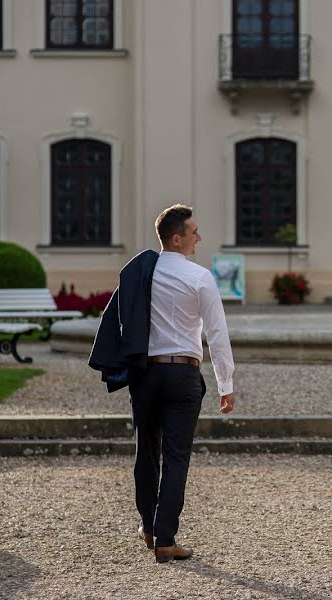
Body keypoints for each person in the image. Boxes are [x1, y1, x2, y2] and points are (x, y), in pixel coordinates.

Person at [93, 204, 235, 564]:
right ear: (177, 238)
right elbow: (216, 333)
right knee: (175, 457)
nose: (199, 238)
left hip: (146, 372)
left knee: (146, 451)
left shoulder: (144, 274)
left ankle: (147, 525)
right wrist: (226, 384)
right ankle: (166, 538)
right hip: (183, 373)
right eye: (194, 232)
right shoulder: (200, 277)